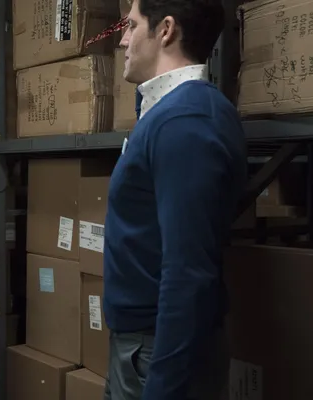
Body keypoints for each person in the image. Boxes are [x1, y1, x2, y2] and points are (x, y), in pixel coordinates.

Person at [103, 1, 247, 399]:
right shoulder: (168, 114)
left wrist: (162, 387)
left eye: (132, 26)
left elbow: (188, 273)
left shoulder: (186, 121)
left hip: (158, 354)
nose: (123, 40)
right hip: (141, 348)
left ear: (165, 30)